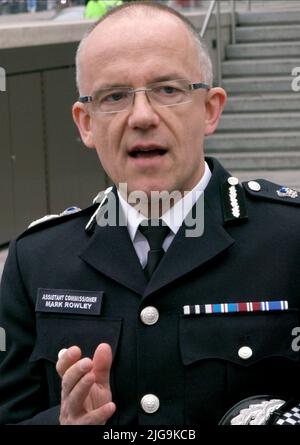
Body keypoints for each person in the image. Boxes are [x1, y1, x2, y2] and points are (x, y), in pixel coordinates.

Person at [0, 0, 300, 426]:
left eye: (168, 90)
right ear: (85, 123)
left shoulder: (290, 240)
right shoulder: (36, 260)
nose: (142, 116)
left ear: (210, 109)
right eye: (115, 96)